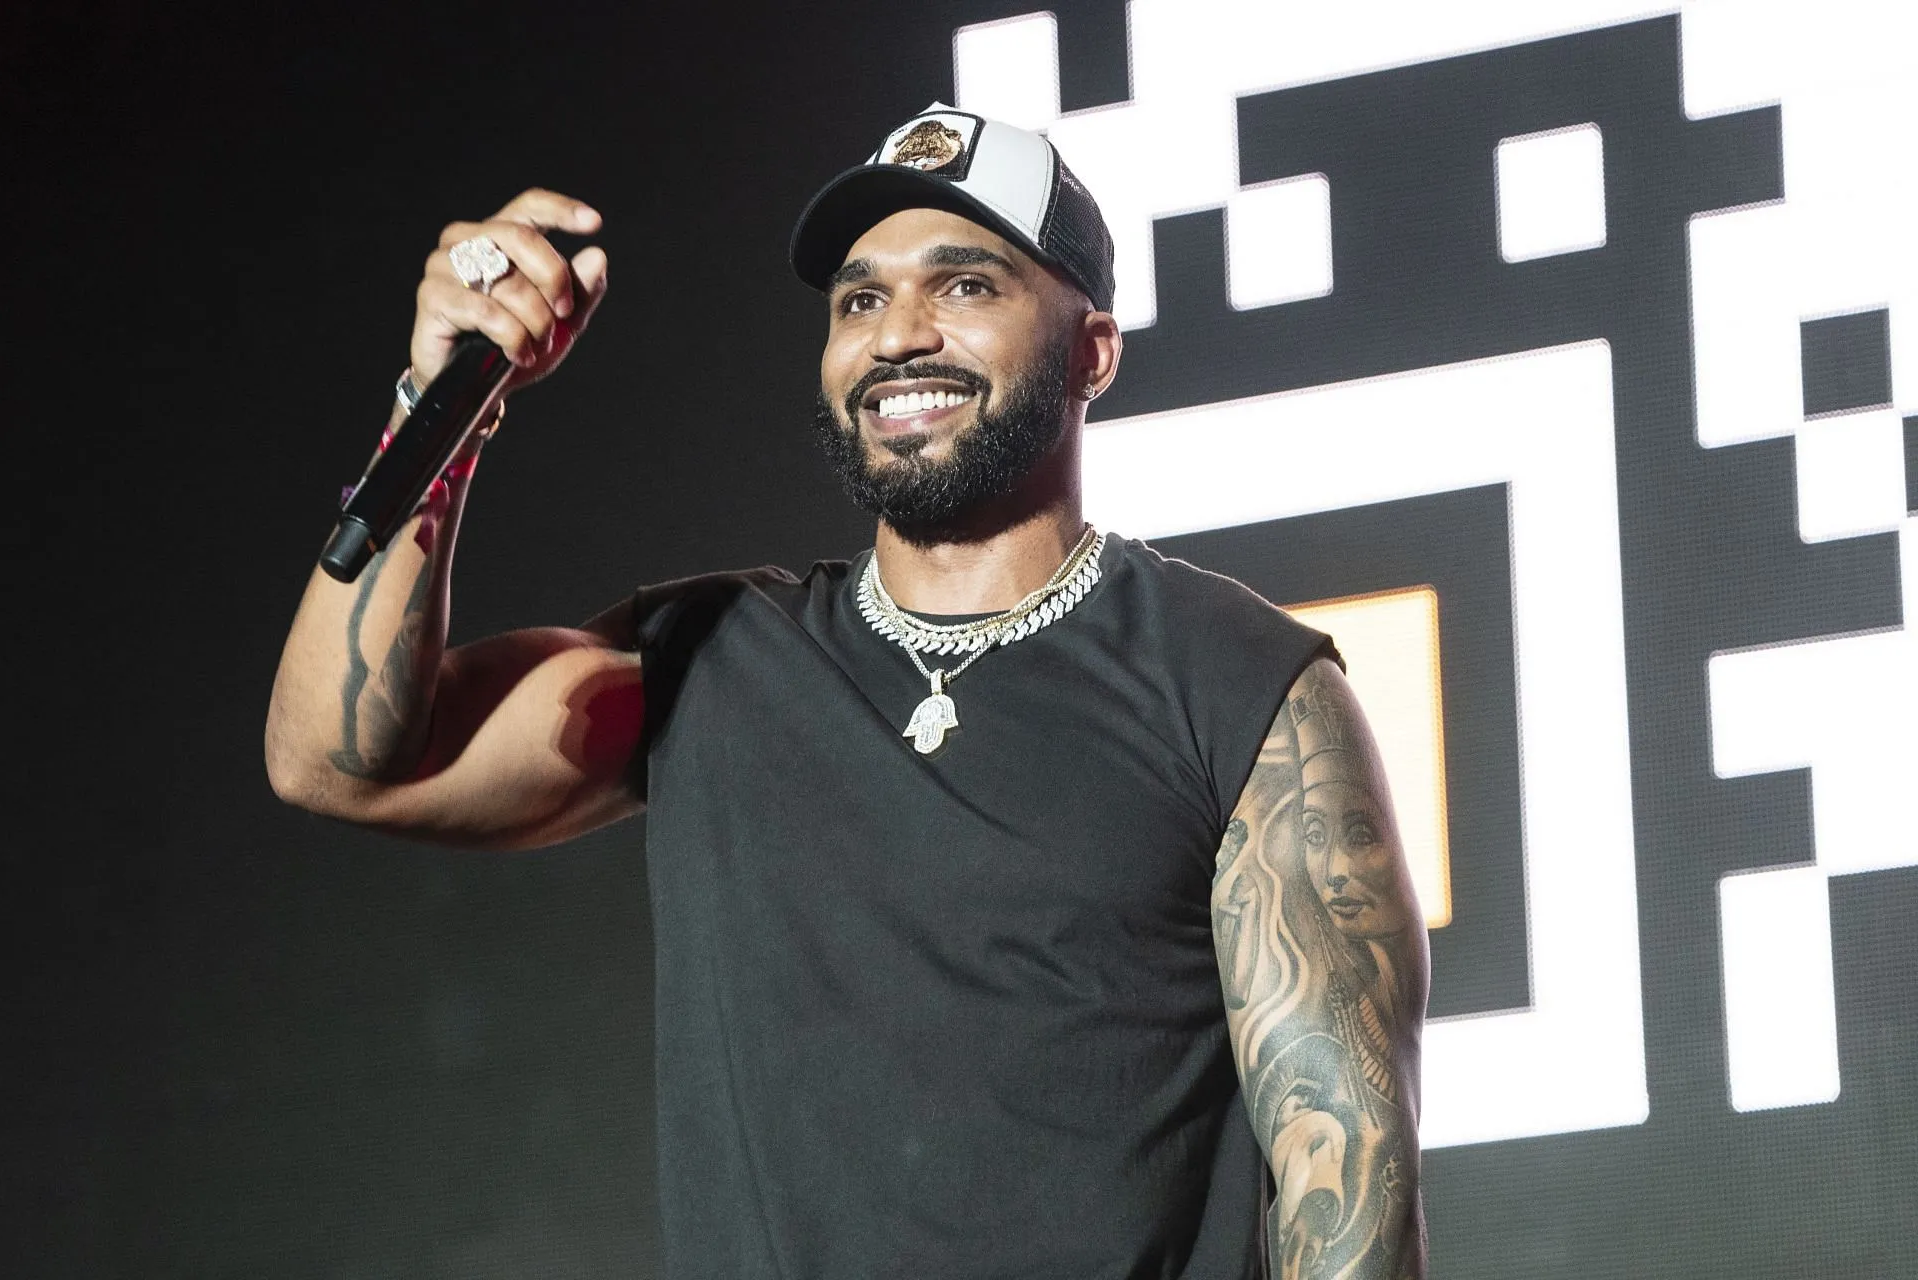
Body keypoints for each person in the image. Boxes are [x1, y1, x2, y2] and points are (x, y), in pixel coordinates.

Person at [265, 104, 1430, 1279]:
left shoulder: (1236, 682)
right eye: (859, 301)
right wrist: (442, 403)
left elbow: (1349, 1180)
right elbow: (337, 759)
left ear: (1093, 352)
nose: (897, 337)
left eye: (965, 286)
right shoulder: (715, 659)